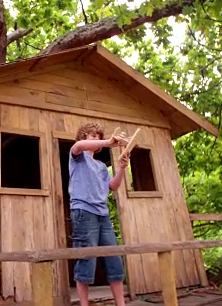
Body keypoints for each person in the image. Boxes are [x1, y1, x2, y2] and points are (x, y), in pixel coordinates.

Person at [69, 122, 130, 306]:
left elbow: (113, 186)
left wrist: (121, 168)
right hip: (83, 212)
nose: (96, 138)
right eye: (93, 136)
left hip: (102, 215)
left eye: (98, 135)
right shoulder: (77, 156)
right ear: (83, 137)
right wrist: (108, 142)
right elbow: (78, 147)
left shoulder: (101, 166)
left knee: (114, 259)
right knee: (86, 259)